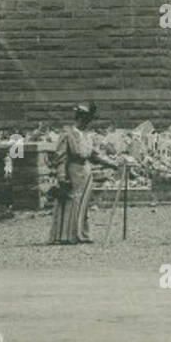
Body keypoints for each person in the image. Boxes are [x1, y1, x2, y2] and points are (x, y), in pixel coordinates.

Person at [49, 102, 119, 245]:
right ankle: (66, 235)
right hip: (72, 172)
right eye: (86, 120)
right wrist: (62, 177)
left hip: (86, 174)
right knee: (71, 201)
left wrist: (112, 164)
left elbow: (94, 155)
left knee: (83, 204)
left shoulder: (87, 136)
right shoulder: (67, 135)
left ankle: (82, 233)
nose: (88, 124)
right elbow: (60, 158)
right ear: (80, 119)